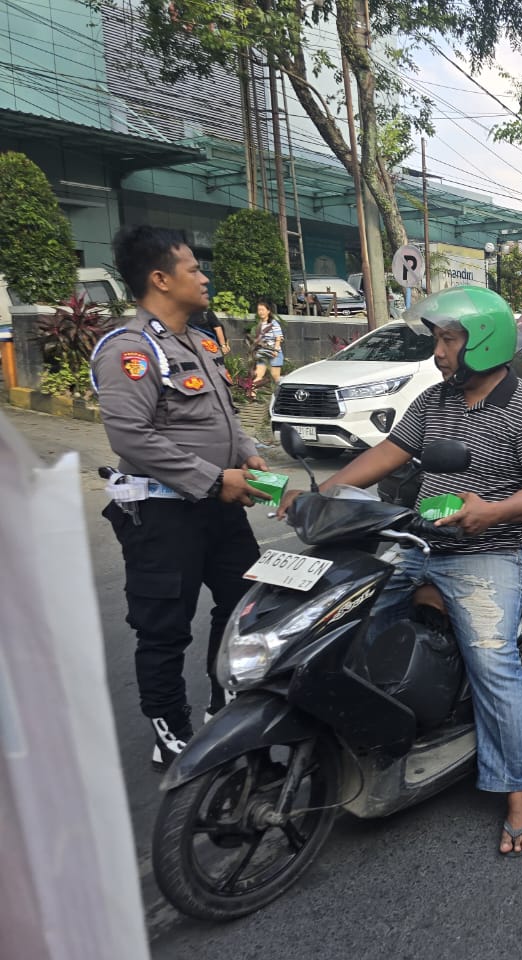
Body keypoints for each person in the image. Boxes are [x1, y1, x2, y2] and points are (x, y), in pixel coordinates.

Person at [277, 284, 522, 856]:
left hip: (491, 552)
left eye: (449, 339)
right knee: (353, 617)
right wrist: (321, 494)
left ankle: (520, 788)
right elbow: (389, 453)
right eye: (438, 339)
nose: (439, 351)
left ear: (483, 341)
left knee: (492, 661)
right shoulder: (434, 400)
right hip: (421, 544)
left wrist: (491, 512)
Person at [90, 226, 270, 771]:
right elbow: (132, 438)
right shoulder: (130, 350)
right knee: (163, 628)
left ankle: (223, 706)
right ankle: (171, 735)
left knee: (245, 603)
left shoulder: (197, 341)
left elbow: (223, 415)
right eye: (193, 268)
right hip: (163, 513)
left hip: (220, 508)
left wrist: (247, 452)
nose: (204, 277)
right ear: (161, 279)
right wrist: (215, 480)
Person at [249, 299, 284, 401]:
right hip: (262, 353)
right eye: (259, 310)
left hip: (274, 352)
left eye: (262, 310)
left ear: (268, 311)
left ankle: (280, 397)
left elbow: (278, 338)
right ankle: (252, 396)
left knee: (275, 377)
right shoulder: (259, 324)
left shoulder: (274, 323)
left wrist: (276, 350)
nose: (260, 312)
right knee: (258, 374)